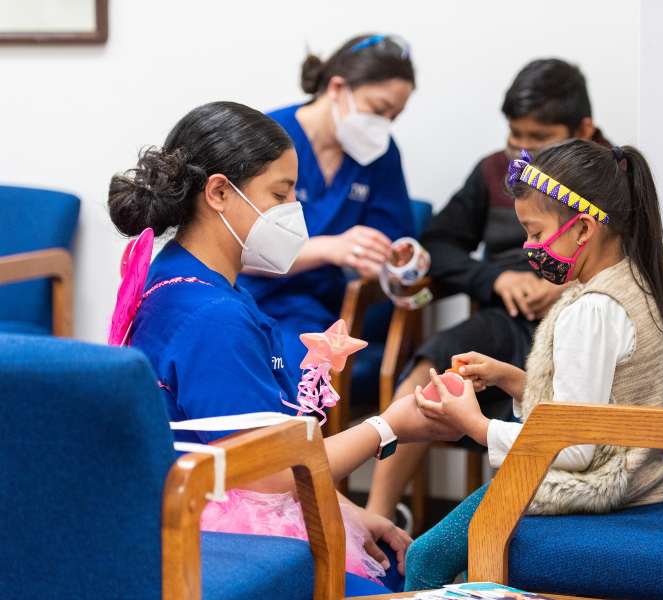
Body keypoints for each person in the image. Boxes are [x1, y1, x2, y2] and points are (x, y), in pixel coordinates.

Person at [106, 101, 461, 593]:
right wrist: (388, 425)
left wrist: (349, 510)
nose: (295, 210)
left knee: (393, 563)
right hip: (223, 540)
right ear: (218, 192)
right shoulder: (215, 318)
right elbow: (270, 473)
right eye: (281, 192)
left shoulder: (172, 277)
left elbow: (235, 449)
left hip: (193, 511)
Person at [402, 138, 663, 590]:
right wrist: (513, 380)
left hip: (599, 485)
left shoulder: (591, 310)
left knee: (424, 556)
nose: (528, 247)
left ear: (584, 230)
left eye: (537, 232)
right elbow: (594, 405)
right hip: (638, 475)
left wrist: (475, 424)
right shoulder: (632, 283)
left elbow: (573, 449)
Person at [366, 58, 612, 522]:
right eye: (514, 135)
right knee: (431, 372)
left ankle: (515, 530)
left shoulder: (612, 176)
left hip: (583, 322)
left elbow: (632, 266)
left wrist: (566, 289)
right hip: (506, 319)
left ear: (583, 128)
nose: (522, 150)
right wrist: (495, 278)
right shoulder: (495, 172)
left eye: (538, 138)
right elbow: (440, 242)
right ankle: (378, 520)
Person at [238, 34, 417, 375]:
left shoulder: (380, 156)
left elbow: (394, 240)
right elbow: (235, 241)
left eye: (392, 117)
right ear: (337, 87)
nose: (382, 126)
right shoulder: (268, 137)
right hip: (245, 295)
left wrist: (391, 260)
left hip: (313, 311)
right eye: (378, 110)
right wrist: (327, 249)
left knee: (293, 369)